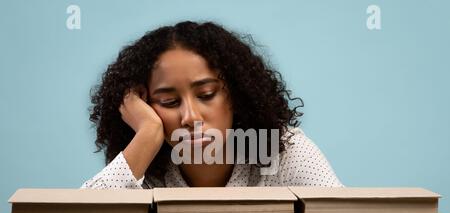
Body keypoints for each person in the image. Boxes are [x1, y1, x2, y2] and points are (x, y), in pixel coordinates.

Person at [80, 21, 343, 189]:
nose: (191, 117)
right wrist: (148, 133)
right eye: (169, 101)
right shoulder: (146, 170)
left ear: (237, 95)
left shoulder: (284, 153)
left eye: (206, 94)